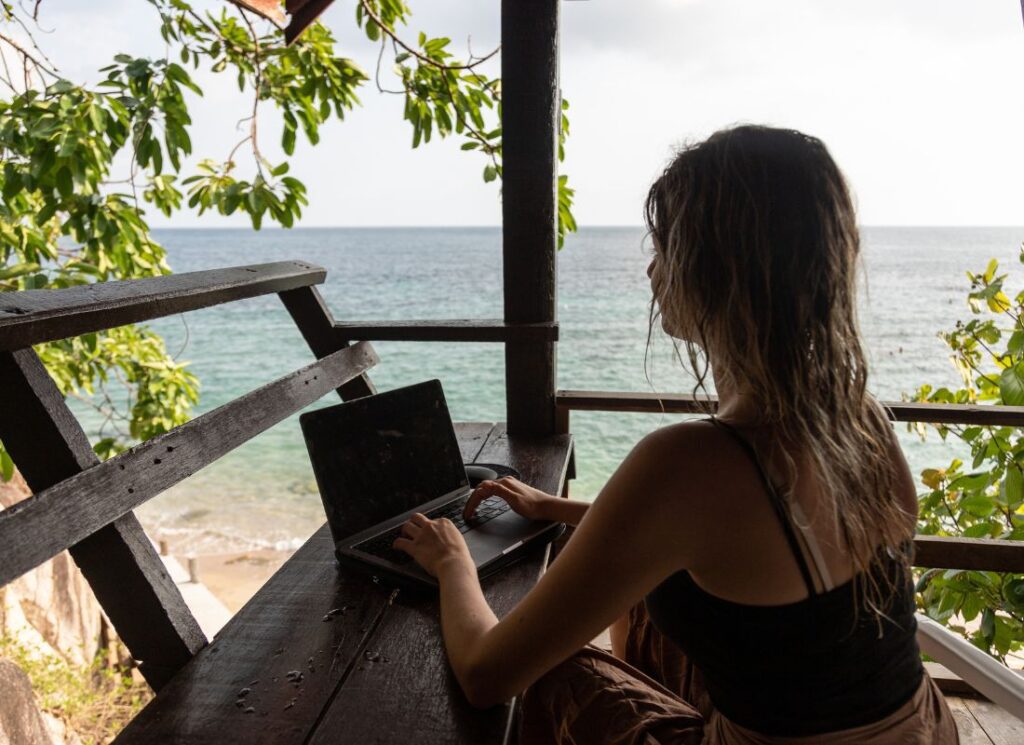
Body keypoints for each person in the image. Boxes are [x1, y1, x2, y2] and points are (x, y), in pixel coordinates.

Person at [392, 125, 958, 744]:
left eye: (665, 247)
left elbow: (484, 674)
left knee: (551, 672)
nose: (652, 271)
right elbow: (742, 541)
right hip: (921, 728)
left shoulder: (692, 462)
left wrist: (453, 565)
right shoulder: (859, 418)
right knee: (644, 599)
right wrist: (556, 508)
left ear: (717, 270)